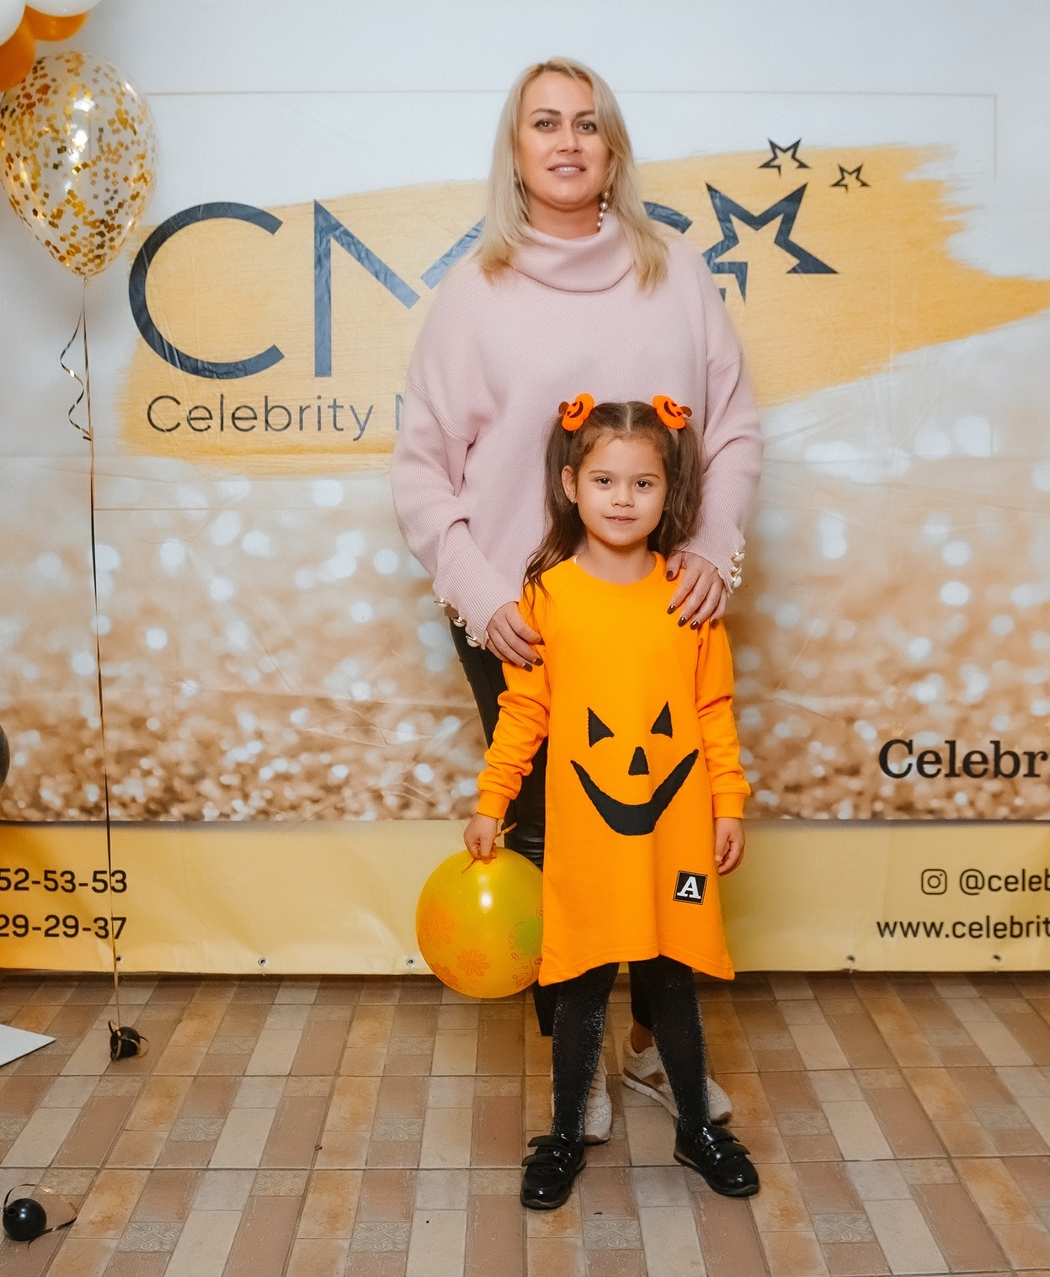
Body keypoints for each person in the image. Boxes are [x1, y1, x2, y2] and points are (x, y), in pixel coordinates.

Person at [392, 56, 761, 1144]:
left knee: (662, 830)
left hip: (659, 610)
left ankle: (652, 1046)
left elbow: (733, 430)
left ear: (613, 148)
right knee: (561, 850)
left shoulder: (675, 272)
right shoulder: (477, 292)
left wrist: (715, 549)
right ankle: (581, 1062)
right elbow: (420, 472)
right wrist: (481, 595)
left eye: (587, 124)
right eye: (544, 123)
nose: (567, 141)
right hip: (525, 619)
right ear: (516, 151)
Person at [463, 396, 760, 1210]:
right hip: (589, 834)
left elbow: (712, 711)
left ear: (671, 493)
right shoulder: (547, 596)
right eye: (604, 480)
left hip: (675, 832)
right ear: (571, 485)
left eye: (642, 482)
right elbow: (524, 712)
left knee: (672, 976)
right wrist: (492, 799)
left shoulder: (689, 598)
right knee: (582, 980)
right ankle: (564, 1132)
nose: (622, 498)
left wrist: (728, 805)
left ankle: (696, 1125)